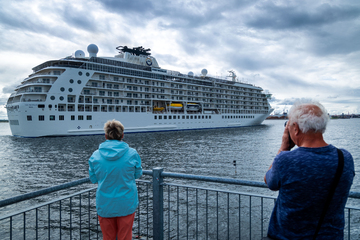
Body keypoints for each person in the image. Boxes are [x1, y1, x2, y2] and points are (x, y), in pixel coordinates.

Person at [264, 101, 354, 239]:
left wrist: (284, 146)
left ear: (296, 129)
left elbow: (269, 181)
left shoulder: (285, 160)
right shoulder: (345, 158)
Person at [89, 119, 142, 240]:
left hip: (105, 203)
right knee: (125, 237)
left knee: (108, 237)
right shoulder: (132, 154)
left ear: (106, 135)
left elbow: (93, 178)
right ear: (122, 135)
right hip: (126, 202)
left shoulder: (95, 155)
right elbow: (138, 174)